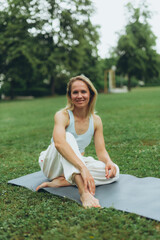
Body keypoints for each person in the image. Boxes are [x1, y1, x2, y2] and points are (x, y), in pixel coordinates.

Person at [36, 75, 119, 208]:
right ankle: (84, 192)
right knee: (68, 137)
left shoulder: (96, 120)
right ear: (70, 96)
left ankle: (64, 181)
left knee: (114, 172)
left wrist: (108, 162)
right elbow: (59, 144)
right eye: (75, 92)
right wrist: (83, 168)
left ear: (91, 94)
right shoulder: (62, 115)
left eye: (83, 92)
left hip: (75, 163)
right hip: (52, 164)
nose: (79, 96)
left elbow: (101, 151)